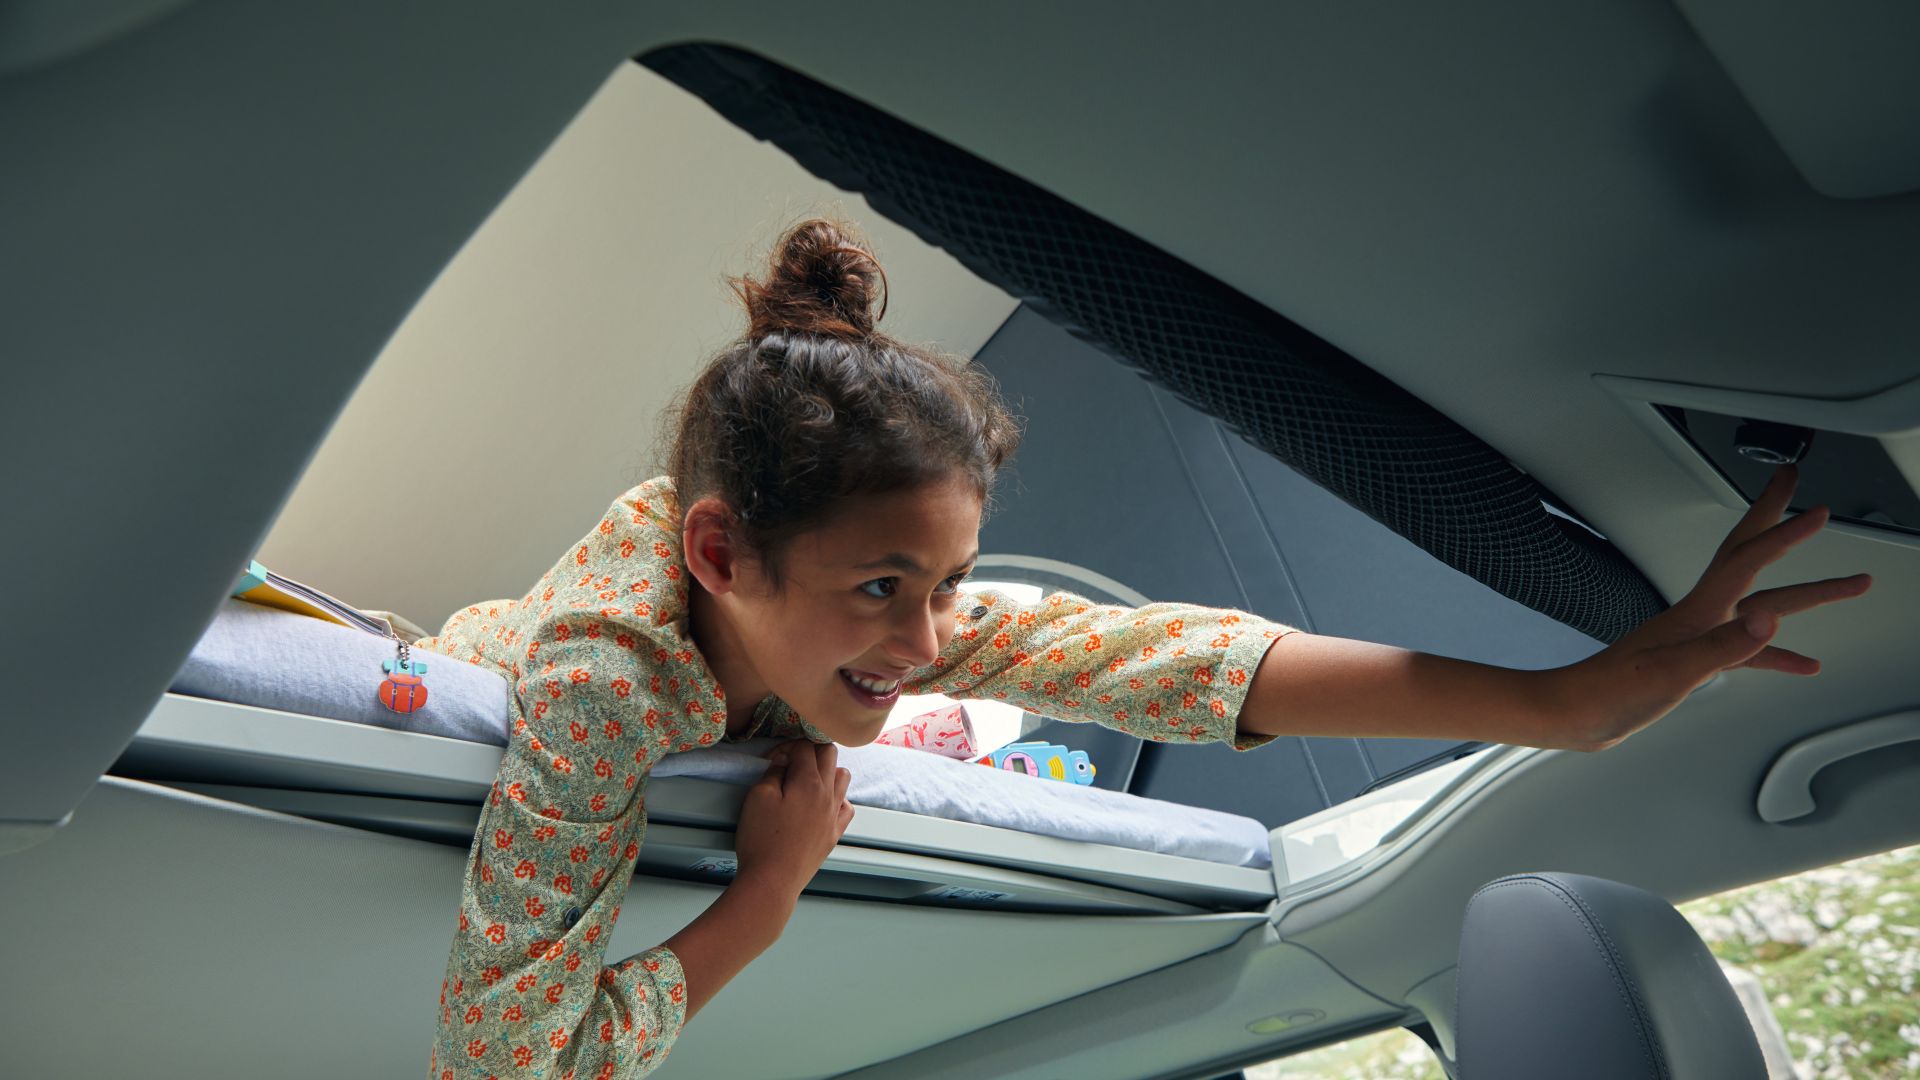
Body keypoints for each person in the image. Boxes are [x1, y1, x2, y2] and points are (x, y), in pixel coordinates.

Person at [419, 217, 1871, 1079]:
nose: (929, 637)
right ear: (720, 557)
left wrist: (1573, 701)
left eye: (951, 584)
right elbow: (500, 1064)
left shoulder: (846, 606)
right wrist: (767, 899)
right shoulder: (608, 686)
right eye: (883, 587)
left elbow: (1173, 660)